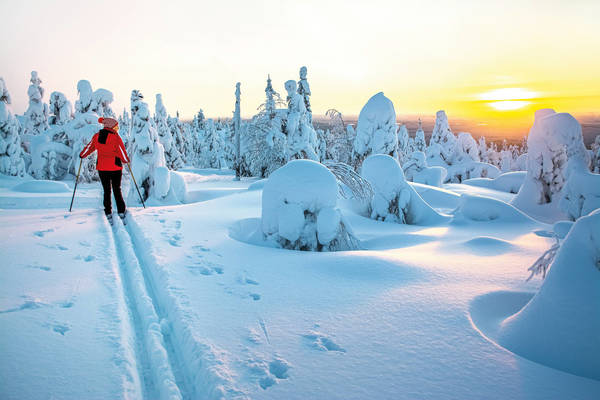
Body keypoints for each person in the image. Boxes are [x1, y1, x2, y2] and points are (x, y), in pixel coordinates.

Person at [80, 117, 130, 224]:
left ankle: (108, 211)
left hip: (102, 168)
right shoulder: (115, 137)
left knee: (106, 190)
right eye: (116, 126)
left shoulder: (97, 136)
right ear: (111, 126)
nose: (117, 128)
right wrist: (126, 160)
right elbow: (122, 151)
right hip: (115, 168)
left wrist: (82, 155)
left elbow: (89, 147)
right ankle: (121, 211)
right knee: (117, 189)